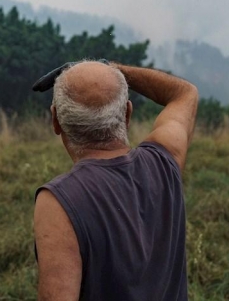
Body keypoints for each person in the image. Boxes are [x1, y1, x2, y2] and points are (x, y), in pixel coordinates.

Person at [32, 60, 199, 301]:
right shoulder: (165, 162)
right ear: (127, 114)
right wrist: (112, 69)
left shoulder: (59, 201)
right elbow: (185, 93)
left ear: (56, 120)